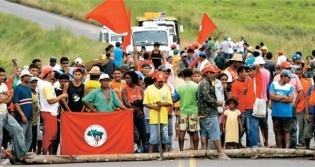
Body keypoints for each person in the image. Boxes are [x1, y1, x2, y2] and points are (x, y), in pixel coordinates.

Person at [0, 67, 35, 162]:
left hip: (5, 114)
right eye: (0, 75)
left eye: (3, 75)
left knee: (18, 130)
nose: (2, 77)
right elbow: (10, 100)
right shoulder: (19, 88)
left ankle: (21, 155)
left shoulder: (3, 85)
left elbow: (10, 98)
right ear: (22, 77)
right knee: (0, 137)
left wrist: (5, 98)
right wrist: (5, 98)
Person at [198, 65, 230, 160]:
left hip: (204, 111)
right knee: (215, 131)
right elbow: (206, 97)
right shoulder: (205, 83)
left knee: (204, 132)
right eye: (211, 72)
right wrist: (217, 103)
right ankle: (220, 152)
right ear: (206, 73)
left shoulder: (207, 82)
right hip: (209, 111)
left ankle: (205, 152)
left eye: (214, 72)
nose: (214, 74)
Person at [38, 66, 68, 155]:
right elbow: (50, 101)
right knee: (49, 135)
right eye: (52, 72)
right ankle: (45, 155)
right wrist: (62, 96)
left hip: (49, 111)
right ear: (48, 74)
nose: (54, 73)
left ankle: (49, 154)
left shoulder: (44, 84)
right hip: (49, 112)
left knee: (52, 134)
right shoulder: (46, 85)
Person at [274, 61, 303, 148]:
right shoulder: (276, 78)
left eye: (290, 68)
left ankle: (292, 146)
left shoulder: (295, 77)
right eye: (286, 68)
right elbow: (272, 92)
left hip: (291, 106)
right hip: (279, 107)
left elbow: (300, 91)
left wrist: (295, 104)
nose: (289, 70)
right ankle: (283, 146)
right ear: (281, 69)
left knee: (292, 127)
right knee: (280, 127)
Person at [143, 72, 172, 153]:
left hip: (163, 116)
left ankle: (166, 152)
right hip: (153, 117)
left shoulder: (166, 88)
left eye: (162, 81)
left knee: (165, 136)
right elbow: (145, 103)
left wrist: (162, 103)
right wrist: (154, 107)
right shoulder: (149, 89)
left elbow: (170, 102)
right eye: (159, 81)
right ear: (155, 80)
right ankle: (150, 153)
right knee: (153, 137)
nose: (161, 83)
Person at [173, 68, 199, 151]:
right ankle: (195, 150)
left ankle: (181, 150)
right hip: (194, 111)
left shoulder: (179, 87)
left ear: (183, 76)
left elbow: (175, 99)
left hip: (183, 111)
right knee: (195, 131)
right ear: (192, 75)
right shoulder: (196, 86)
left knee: (182, 131)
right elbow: (198, 98)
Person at [122, 71, 146, 153]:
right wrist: (135, 109)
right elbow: (125, 102)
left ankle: (144, 147)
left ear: (133, 78)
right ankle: (137, 146)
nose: (126, 80)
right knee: (133, 131)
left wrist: (140, 110)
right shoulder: (125, 90)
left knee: (142, 130)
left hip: (140, 113)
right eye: (125, 78)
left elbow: (144, 100)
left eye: (128, 78)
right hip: (131, 113)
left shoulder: (140, 89)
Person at [269, 70, 294, 148]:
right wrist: (284, 97)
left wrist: (277, 98)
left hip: (287, 113)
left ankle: (286, 148)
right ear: (283, 76)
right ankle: (278, 147)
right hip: (276, 112)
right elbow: (272, 96)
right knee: (277, 131)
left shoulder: (290, 86)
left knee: (287, 131)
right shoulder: (274, 84)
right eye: (288, 77)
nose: (290, 79)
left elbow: (290, 99)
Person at [12, 70, 33, 151]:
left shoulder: (28, 87)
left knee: (29, 138)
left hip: (29, 117)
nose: (28, 77)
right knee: (21, 137)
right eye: (26, 76)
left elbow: (29, 102)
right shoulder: (18, 88)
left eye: (29, 76)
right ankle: (18, 154)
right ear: (22, 77)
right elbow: (16, 103)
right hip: (22, 118)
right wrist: (22, 115)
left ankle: (24, 154)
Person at [295, 67, 311, 147]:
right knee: (300, 124)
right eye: (296, 74)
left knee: (306, 124)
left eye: (300, 74)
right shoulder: (294, 82)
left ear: (303, 74)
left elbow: (308, 96)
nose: (298, 75)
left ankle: (304, 140)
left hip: (306, 106)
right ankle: (301, 140)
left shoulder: (306, 83)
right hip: (298, 106)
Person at [29, 77, 39, 153]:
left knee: (34, 135)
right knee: (29, 135)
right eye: (32, 82)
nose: (34, 84)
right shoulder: (28, 92)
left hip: (36, 118)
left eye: (35, 82)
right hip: (29, 118)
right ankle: (28, 151)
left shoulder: (37, 92)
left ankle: (34, 150)